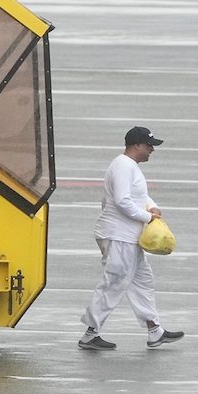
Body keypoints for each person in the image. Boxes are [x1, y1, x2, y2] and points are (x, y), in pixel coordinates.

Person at [78, 126, 184, 351]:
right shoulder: (123, 166)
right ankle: (90, 334)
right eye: (149, 146)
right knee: (114, 283)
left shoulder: (129, 167)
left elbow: (139, 195)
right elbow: (122, 201)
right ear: (136, 145)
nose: (152, 150)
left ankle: (155, 330)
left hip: (128, 237)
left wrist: (152, 206)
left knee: (142, 282)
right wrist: (148, 217)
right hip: (118, 236)